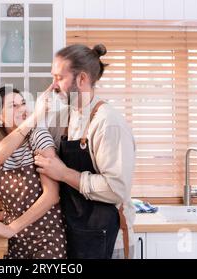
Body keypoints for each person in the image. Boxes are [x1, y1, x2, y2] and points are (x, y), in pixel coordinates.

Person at [34, 44, 136, 259]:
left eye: (59, 78)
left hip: (107, 236)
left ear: (81, 79)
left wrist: (63, 173)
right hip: (76, 233)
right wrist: (37, 114)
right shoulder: (67, 115)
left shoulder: (108, 123)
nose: (52, 86)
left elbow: (116, 189)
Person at [0, 86, 67, 259]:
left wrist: (10, 227)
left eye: (23, 104)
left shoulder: (38, 137)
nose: (22, 109)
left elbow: (52, 196)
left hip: (47, 241)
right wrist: (7, 215)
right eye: (14, 106)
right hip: (16, 244)